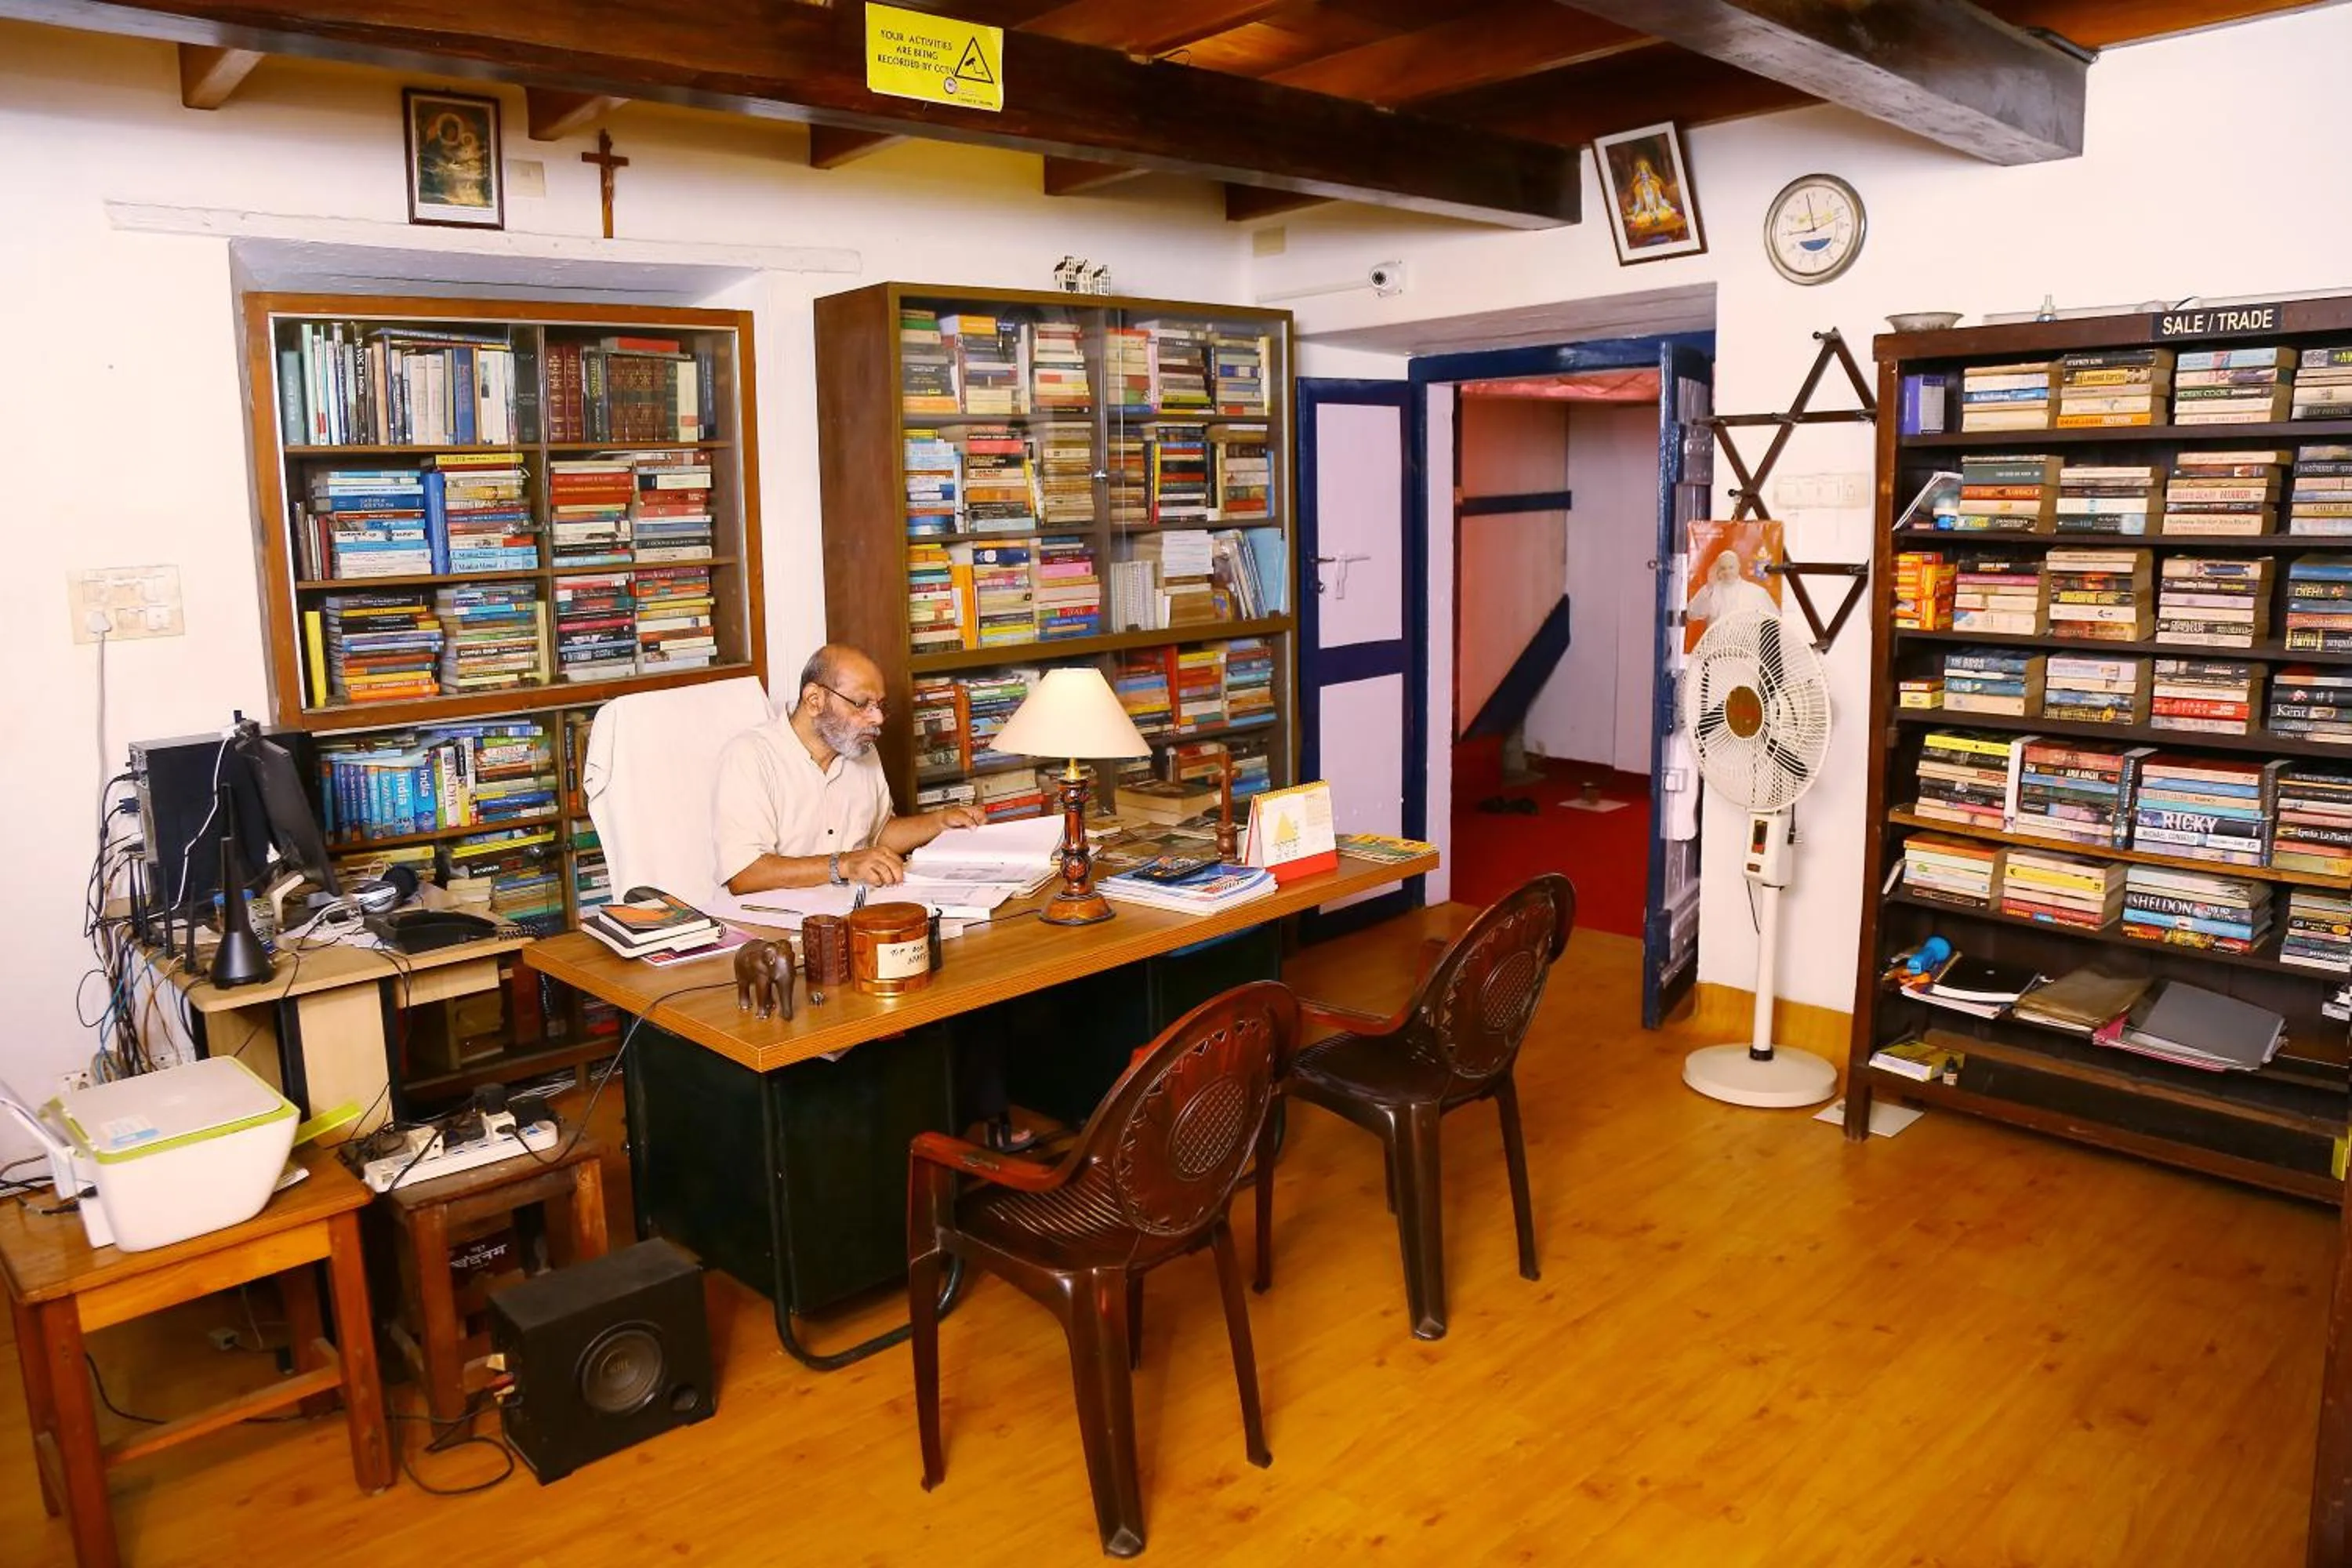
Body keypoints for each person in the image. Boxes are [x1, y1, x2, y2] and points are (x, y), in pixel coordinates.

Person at [714, 644, 982, 895]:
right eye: (861, 704)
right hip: (771, 926)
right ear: (814, 700)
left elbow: (879, 833)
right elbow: (744, 873)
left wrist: (940, 822)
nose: (877, 718)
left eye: (879, 706)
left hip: (855, 910)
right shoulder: (750, 756)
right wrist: (843, 865)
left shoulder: (862, 749)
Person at [1686, 547, 1779, 633]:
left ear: (1738, 567)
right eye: (1723, 568)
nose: (1727, 572)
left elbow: (1775, 621)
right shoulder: (1710, 591)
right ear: (1717, 570)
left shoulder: (1756, 592)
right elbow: (1691, 613)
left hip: (1746, 648)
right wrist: (1709, 585)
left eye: (1731, 567)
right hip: (1716, 648)